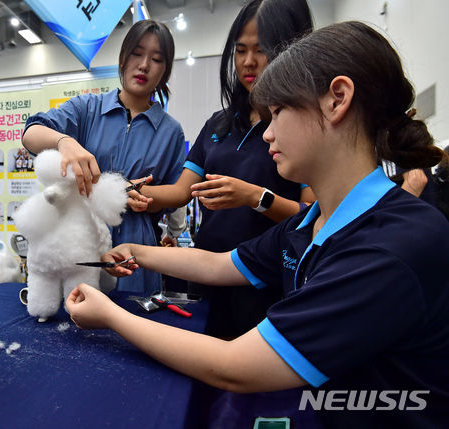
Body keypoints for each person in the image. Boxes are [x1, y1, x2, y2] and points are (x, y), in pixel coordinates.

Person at [66, 22, 449, 427]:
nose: (267, 133)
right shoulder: (311, 224)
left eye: (280, 112)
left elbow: (235, 366)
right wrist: (138, 252)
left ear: (337, 99)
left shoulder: (388, 247)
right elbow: (220, 265)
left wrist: (110, 316)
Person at [127, 0, 315, 338]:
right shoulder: (220, 123)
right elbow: (181, 191)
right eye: (240, 50)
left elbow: (312, 216)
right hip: (208, 274)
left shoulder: (302, 126)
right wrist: (129, 191)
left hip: (264, 282)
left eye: (261, 50)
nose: (248, 62)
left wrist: (255, 197)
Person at [22, 19, 186, 294]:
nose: (144, 65)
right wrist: (64, 141)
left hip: (137, 248)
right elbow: (31, 134)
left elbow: (179, 193)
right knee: (77, 317)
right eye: (136, 53)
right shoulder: (87, 108)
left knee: (134, 325)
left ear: (165, 71)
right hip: (82, 234)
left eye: (156, 59)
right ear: (123, 58)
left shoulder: (171, 131)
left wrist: (146, 196)